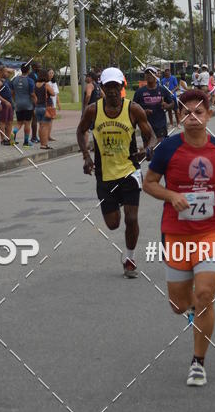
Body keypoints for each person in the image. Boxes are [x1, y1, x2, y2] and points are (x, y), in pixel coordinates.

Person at [143, 89, 215, 387]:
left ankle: (198, 362)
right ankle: (188, 310)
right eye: (187, 112)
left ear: (209, 115)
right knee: (178, 304)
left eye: (199, 112)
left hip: (210, 230)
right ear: (180, 116)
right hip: (175, 233)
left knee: (205, 296)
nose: (193, 117)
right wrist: (171, 194)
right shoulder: (168, 149)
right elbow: (149, 183)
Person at [77, 66, 154, 278]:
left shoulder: (134, 109)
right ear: (102, 87)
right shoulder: (93, 110)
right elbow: (80, 130)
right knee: (113, 224)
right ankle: (116, 205)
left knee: (131, 218)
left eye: (115, 86)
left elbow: (152, 136)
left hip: (129, 171)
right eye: (107, 86)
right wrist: (86, 156)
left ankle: (130, 259)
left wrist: (147, 150)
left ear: (122, 87)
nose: (111, 91)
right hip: (105, 174)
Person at [133, 66, 176, 141]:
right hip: (145, 126)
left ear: (156, 75)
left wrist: (167, 106)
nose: (149, 75)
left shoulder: (163, 90)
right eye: (147, 73)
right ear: (145, 76)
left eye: (151, 73)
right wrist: (143, 112)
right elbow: (133, 109)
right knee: (148, 149)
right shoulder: (139, 92)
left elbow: (172, 103)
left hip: (160, 125)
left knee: (160, 147)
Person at [11, 64, 37, 147]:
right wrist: (36, 102)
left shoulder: (14, 80)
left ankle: (13, 133)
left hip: (18, 104)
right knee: (27, 123)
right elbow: (32, 94)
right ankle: (26, 142)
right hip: (27, 104)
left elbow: (12, 93)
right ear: (28, 70)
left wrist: (15, 101)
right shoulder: (30, 80)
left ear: (21, 70)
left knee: (19, 123)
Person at [34, 69, 56, 149]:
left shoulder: (36, 84)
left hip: (37, 107)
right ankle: (44, 144)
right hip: (46, 107)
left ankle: (41, 143)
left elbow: (34, 95)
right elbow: (53, 93)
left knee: (41, 126)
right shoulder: (46, 85)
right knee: (45, 126)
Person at [0, 66, 14, 145]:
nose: (7, 73)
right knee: (3, 122)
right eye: (5, 72)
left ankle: (8, 138)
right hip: (4, 104)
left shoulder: (4, 79)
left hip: (9, 103)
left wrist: (5, 69)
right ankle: (3, 139)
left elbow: (12, 71)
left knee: (10, 121)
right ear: (1, 72)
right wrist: (5, 102)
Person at [29, 61, 41, 144]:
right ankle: (33, 137)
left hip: (36, 98)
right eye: (38, 66)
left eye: (40, 66)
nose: (39, 68)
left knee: (23, 121)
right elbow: (33, 89)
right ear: (33, 67)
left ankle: (34, 136)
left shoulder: (37, 74)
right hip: (33, 99)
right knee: (34, 118)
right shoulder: (31, 75)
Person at [47, 68, 61, 140]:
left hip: (53, 104)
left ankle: (49, 135)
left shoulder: (54, 82)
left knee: (51, 120)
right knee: (47, 121)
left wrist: (59, 104)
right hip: (48, 104)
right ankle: (46, 136)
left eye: (52, 73)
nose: (52, 74)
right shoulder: (46, 83)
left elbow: (56, 94)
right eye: (50, 73)